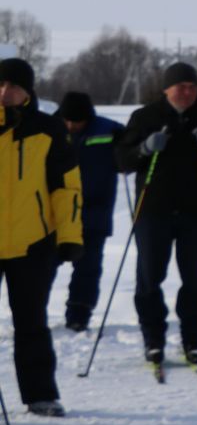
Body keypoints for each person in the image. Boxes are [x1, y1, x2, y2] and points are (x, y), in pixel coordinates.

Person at [116, 62, 197, 373]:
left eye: (191, 87)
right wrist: (144, 149)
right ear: (166, 88)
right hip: (154, 210)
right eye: (180, 87)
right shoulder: (145, 117)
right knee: (149, 277)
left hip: (196, 211)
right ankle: (153, 339)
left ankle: (193, 339)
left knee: (196, 280)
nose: (186, 92)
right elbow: (122, 160)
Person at [0, 59, 79, 415]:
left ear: (28, 90)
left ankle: (40, 394)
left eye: (13, 86)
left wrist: (69, 236)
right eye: (0, 86)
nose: (5, 93)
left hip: (32, 242)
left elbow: (66, 188)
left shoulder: (47, 129)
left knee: (31, 321)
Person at [55, 91, 124, 333]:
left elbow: (130, 151)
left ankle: (79, 314)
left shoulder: (109, 130)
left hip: (95, 211)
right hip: (54, 213)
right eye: (67, 120)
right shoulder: (49, 129)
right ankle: (32, 312)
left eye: (77, 121)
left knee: (88, 267)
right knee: (41, 268)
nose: (72, 125)